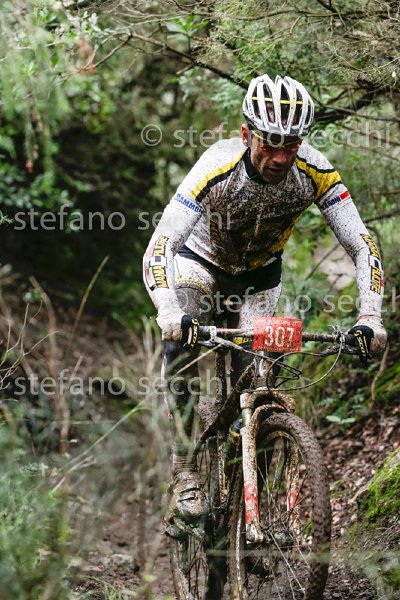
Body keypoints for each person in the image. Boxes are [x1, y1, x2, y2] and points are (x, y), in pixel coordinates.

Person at [143, 73, 387, 527]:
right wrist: (169, 310)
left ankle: (246, 505)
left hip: (259, 279)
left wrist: (370, 315)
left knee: (258, 387)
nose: (280, 157)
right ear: (246, 134)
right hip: (200, 265)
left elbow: (362, 244)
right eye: (269, 143)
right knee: (181, 337)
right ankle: (185, 467)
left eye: (290, 145)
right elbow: (160, 245)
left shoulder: (314, 171)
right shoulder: (217, 166)